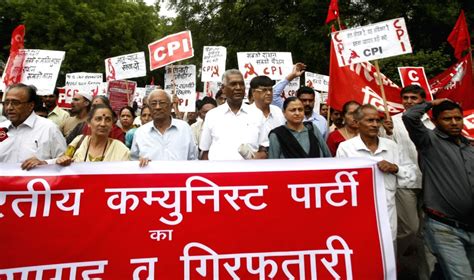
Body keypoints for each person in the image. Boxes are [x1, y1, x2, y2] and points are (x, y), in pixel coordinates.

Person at [402, 99, 473, 279]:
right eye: (447, 119)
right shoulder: (428, 141)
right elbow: (409, 117)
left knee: (445, 273)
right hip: (444, 227)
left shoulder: (469, 147)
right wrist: (432, 103)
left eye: (458, 118)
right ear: (435, 121)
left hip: (471, 225)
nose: (454, 122)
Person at [337, 104, 416, 247]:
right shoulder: (346, 148)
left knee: (390, 253)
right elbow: (340, 182)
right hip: (359, 214)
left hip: (388, 212)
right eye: (369, 121)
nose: (375, 125)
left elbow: (412, 173)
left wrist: (395, 168)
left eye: (377, 121)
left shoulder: (391, 146)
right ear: (357, 123)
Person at [383, 85, 436, 278]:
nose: (408, 101)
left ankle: (427, 273)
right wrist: (386, 132)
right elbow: (385, 147)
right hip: (404, 180)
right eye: (405, 98)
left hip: (431, 182)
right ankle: (397, 265)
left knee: (428, 232)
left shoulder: (433, 122)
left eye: (413, 98)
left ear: (422, 100)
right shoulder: (393, 122)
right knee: (410, 229)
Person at [199, 69, 267, 160]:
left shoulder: (257, 114)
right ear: (223, 88)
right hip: (219, 172)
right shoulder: (212, 115)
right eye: (233, 84)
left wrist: (259, 156)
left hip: (249, 172)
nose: (238, 87)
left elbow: (264, 148)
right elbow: (205, 151)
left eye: (241, 84)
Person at [0, 83, 66, 170]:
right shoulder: (2, 128)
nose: (9, 108)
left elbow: (64, 161)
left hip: (36, 183)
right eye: (6, 103)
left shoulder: (49, 128)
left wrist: (45, 163)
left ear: (30, 106)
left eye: (15, 103)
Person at [131, 89, 197, 166]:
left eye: (162, 103)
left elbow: (193, 159)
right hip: (150, 177)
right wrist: (139, 162)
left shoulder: (184, 128)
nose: (158, 107)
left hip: (180, 177)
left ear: (171, 106)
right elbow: (133, 162)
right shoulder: (140, 132)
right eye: (153, 104)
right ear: (149, 107)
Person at [56, 104, 129, 164]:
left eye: (108, 119)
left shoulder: (121, 149)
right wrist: (62, 160)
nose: (103, 124)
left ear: (112, 125)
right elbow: (64, 160)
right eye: (98, 119)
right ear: (88, 123)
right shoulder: (78, 142)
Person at [273, 63, 328, 139]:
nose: (307, 103)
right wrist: (292, 76)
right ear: (297, 99)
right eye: (304, 100)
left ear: (314, 100)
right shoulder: (289, 113)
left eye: (310, 100)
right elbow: (274, 95)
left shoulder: (322, 121)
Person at [249, 75, 286, 149]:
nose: (269, 93)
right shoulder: (247, 114)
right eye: (264, 90)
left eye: (270, 90)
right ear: (253, 93)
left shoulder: (278, 111)